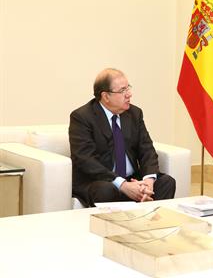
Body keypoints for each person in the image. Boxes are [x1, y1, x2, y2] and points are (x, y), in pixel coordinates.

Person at [69, 68, 175, 207]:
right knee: (106, 191)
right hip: (100, 180)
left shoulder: (134, 113)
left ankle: (148, 225)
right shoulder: (82, 117)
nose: (129, 94)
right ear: (106, 96)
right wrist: (122, 184)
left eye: (128, 88)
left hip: (131, 179)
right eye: (122, 91)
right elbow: (86, 160)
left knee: (166, 182)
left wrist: (148, 181)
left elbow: (147, 149)